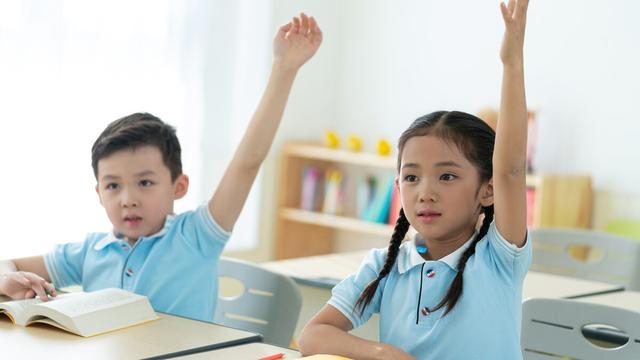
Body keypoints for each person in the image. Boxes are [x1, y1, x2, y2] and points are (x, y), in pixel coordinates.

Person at [0, 13, 322, 322]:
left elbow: (247, 164)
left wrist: (284, 68)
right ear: (99, 193)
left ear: (178, 186)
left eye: (145, 183)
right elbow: (7, 263)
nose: (128, 199)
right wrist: (7, 279)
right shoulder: (90, 251)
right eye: (113, 186)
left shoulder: (197, 236)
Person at [299, 1, 531, 358]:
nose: (425, 192)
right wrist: (383, 352)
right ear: (397, 186)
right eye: (411, 177)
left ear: (488, 190)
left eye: (447, 176)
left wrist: (511, 63)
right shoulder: (386, 265)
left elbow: (511, 170)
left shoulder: (499, 259)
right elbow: (313, 336)